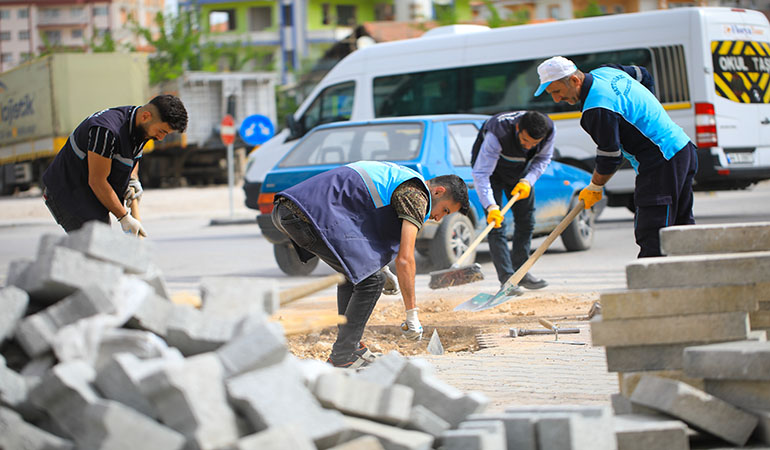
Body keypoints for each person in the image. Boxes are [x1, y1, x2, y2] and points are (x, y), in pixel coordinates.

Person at [272, 161, 470, 368]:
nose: (438, 218)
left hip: (293, 211)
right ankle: (343, 355)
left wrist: (381, 267)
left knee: (358, 275)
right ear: (438, 192)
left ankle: (350, 348)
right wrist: (412, 313)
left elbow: (362, 233)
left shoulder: (403, 180)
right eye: (445, 210)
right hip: (304, 214)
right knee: (372, 281)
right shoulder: (416, 195)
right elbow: (405, 259)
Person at [534, 56, 697, 257]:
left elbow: (610, 156)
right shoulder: (607, 71)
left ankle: (650, 285)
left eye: (557, 92)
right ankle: (689, 280)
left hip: (661, 159)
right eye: (551, 94)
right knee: (682, 225)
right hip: (682, 148)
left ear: (575, 80)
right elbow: (643, 74)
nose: (556, 99)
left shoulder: (597, 108)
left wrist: (594, 186)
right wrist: (652, 113)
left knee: (653, 230)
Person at [41, 95, 188, 235]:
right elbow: (97, 181)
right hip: (68, 192)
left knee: (98, 248)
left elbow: (133, 156)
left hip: (90, 191)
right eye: (162, 131)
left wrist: (133, 179)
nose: (161, 138)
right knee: (97, 248)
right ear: (146, 116)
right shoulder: (106, 131)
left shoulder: (141, 126)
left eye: (166, 134)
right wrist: (123, 217)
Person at [471, 111, 555, 291]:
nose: (527, 147)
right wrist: (491, 206)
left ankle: (521, 273)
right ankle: (508, 280)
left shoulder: (548, 131)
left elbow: (543, 158)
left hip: (520, 173)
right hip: (491, 174)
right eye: (525, 141)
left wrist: (528, 180)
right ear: (518, 128)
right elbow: (481, 174)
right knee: (496, 225)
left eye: (534, 144)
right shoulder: (497, 134)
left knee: (526, 221)